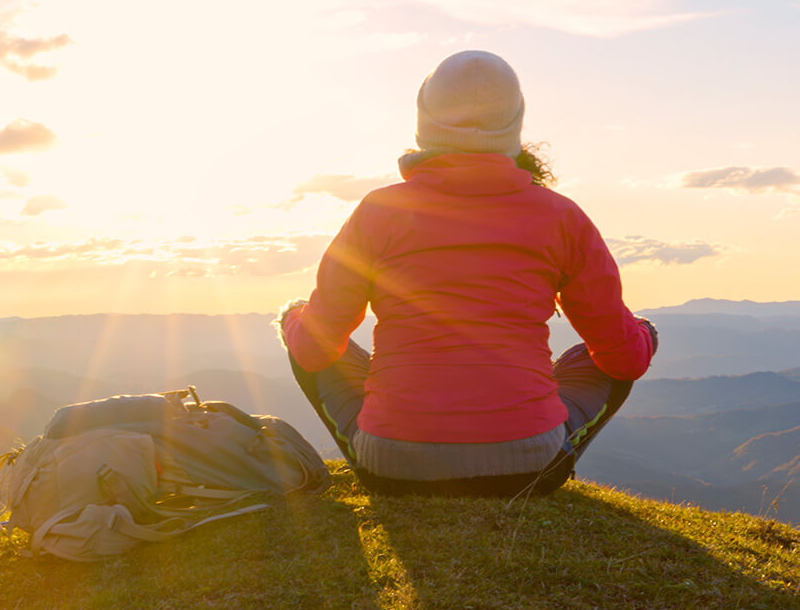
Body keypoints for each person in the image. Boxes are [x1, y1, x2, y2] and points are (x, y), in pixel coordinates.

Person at [278, 51, 658, 498]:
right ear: (515, 123)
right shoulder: (563, 218)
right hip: (529, 467)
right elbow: (624, 361)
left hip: (393, 467)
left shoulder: (378, 212)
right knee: (633, 336)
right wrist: (642, 336)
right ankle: (540, 444)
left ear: (424, 121)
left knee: (301, 322)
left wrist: (292, 318)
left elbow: (315, 351)